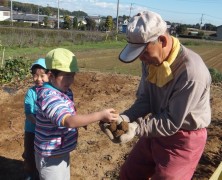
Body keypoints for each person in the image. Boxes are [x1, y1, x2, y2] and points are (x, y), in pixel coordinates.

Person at [116, 10, 211, 179]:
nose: (142, 59)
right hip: (156, 126)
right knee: (129, 173)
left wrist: (137, 128)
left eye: (144, 52)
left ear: (162, 40)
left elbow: (172, 121)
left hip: (184, 138)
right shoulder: (150, 62)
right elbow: (146, 99)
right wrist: (125, 118)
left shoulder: (191, 73)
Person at [34, 48, 118, 180]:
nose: (70, 80)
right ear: (51, 75)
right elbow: (68, 121)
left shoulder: (65, 91)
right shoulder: (48, 96)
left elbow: (70, 115)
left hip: (61, 151)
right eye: (65, 75)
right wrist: (100, 115)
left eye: (72, 75)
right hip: (50, 156)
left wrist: (81, 122)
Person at [23, 58, 49, 180]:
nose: (38, 79)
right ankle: (30, 175)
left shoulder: (52, 92)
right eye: (35, 75)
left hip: (46, 133)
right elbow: (29, 113)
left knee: (44, 157)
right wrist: (40, 124)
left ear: (50, 75)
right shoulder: (31, 92)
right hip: (32, 131)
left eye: (42, 75)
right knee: (29, 155)